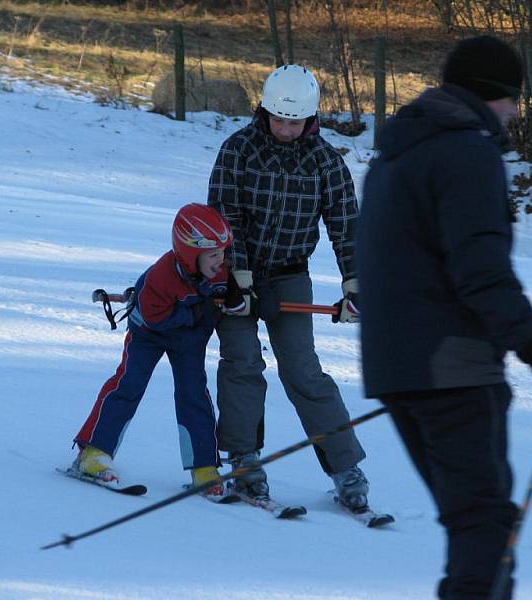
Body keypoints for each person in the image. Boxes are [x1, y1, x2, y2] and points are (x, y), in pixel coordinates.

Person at [357, 35, 532, 599]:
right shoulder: (466, 152)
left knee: (474, 521)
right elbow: (481, 271)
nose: (514, 115)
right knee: (483, 523)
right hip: (452, 369)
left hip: (398, 370)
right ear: (495, 95)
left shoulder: (396, 154)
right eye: (513, 101)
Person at [207, 64, 370, 510]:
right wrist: (236, 281)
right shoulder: (237, 150)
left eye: (294, 122)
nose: (285, 128)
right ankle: (243, 460)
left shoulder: (325, 162)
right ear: (264, 111)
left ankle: (345, 469)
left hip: (290, 275)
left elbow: (346, 227)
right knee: (242, 364)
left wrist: (355, 285)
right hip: (235, 277)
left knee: (303, 371)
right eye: (278, 119)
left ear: (311, 119)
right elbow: (224, 218)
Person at [71, 203, 233, 498]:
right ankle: (92, 453)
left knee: (193, 394)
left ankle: (204, 467)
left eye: (223, 252)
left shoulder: (220, 270)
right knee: (129, 384)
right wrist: (196, 313)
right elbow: (157, 318)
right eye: (213, 255)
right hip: (148, 333)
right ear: (189, 253)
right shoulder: (162, 277)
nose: (220, 261)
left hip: (189, 341)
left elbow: (231, 293)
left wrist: (238, 300)